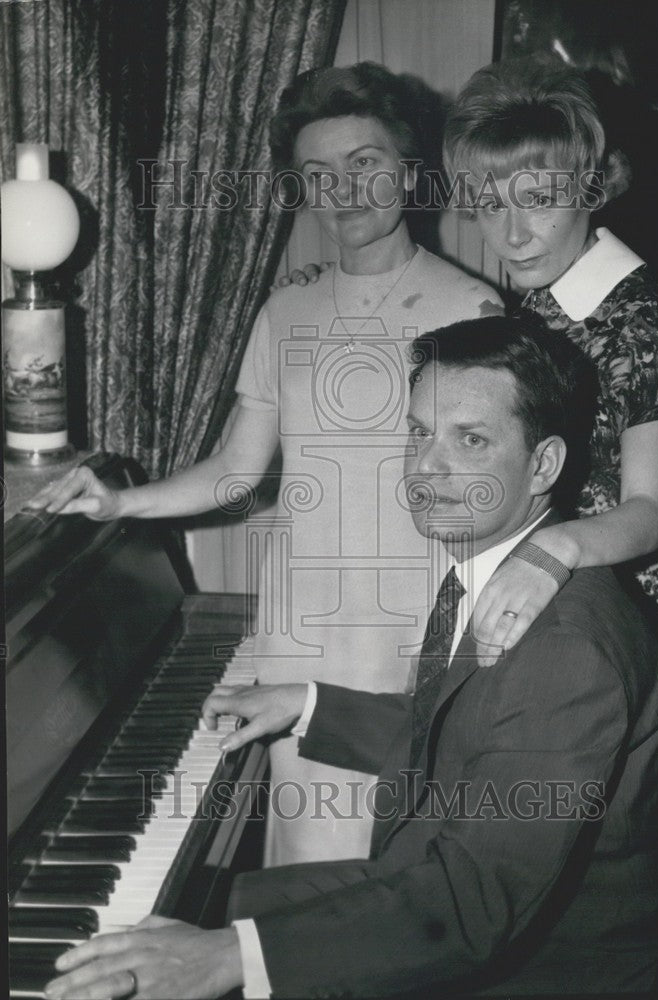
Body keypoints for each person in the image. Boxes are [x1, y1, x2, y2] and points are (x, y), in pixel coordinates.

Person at [45, 316, 658, 1000]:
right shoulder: (496, 568)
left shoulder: (566, 650)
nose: (428, 467)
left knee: (184, 955)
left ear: (543, 464)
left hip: (534, 964)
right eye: (419, 431)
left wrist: (230, 960)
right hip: (427, 878)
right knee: (145, 921)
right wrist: (309, 703)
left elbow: (471, 907)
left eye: (471, 440)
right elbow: (464, 738)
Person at [27, 62, 502, 866]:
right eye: (320, 174)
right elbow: (236, 471)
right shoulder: (285, 310)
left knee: (401, 879)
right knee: (304, 879)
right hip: (301, 632)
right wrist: (120, 506)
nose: (345, 192)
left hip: (411, 629)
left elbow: (492, 499)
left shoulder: (475, 311)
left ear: (409, 170)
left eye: (366, 165)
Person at [286, 57, 658, 673]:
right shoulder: (541, 295)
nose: (513, 234)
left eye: (538, 200)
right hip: (561, 609)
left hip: (641, 637)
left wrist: (548, 553)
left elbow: (649, 513)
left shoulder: (641, 318)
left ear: (590, 190)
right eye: (490, 206)